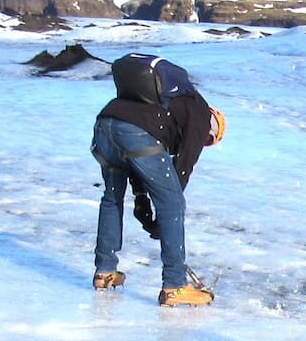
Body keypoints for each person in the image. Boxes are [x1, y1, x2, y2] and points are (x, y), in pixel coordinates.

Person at [91, 54, 225, 307]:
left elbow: (138, 165)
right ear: (213, 126)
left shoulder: (164, 107)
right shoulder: (199, 113)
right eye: (209, 140)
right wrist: (163, 214)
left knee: (111, 198)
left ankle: (105, 271)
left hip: (105, 125)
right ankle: (175, 285)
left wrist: (143, 204)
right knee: (173, 204)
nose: (205, 143)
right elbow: (183, 166)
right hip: (135, 132)